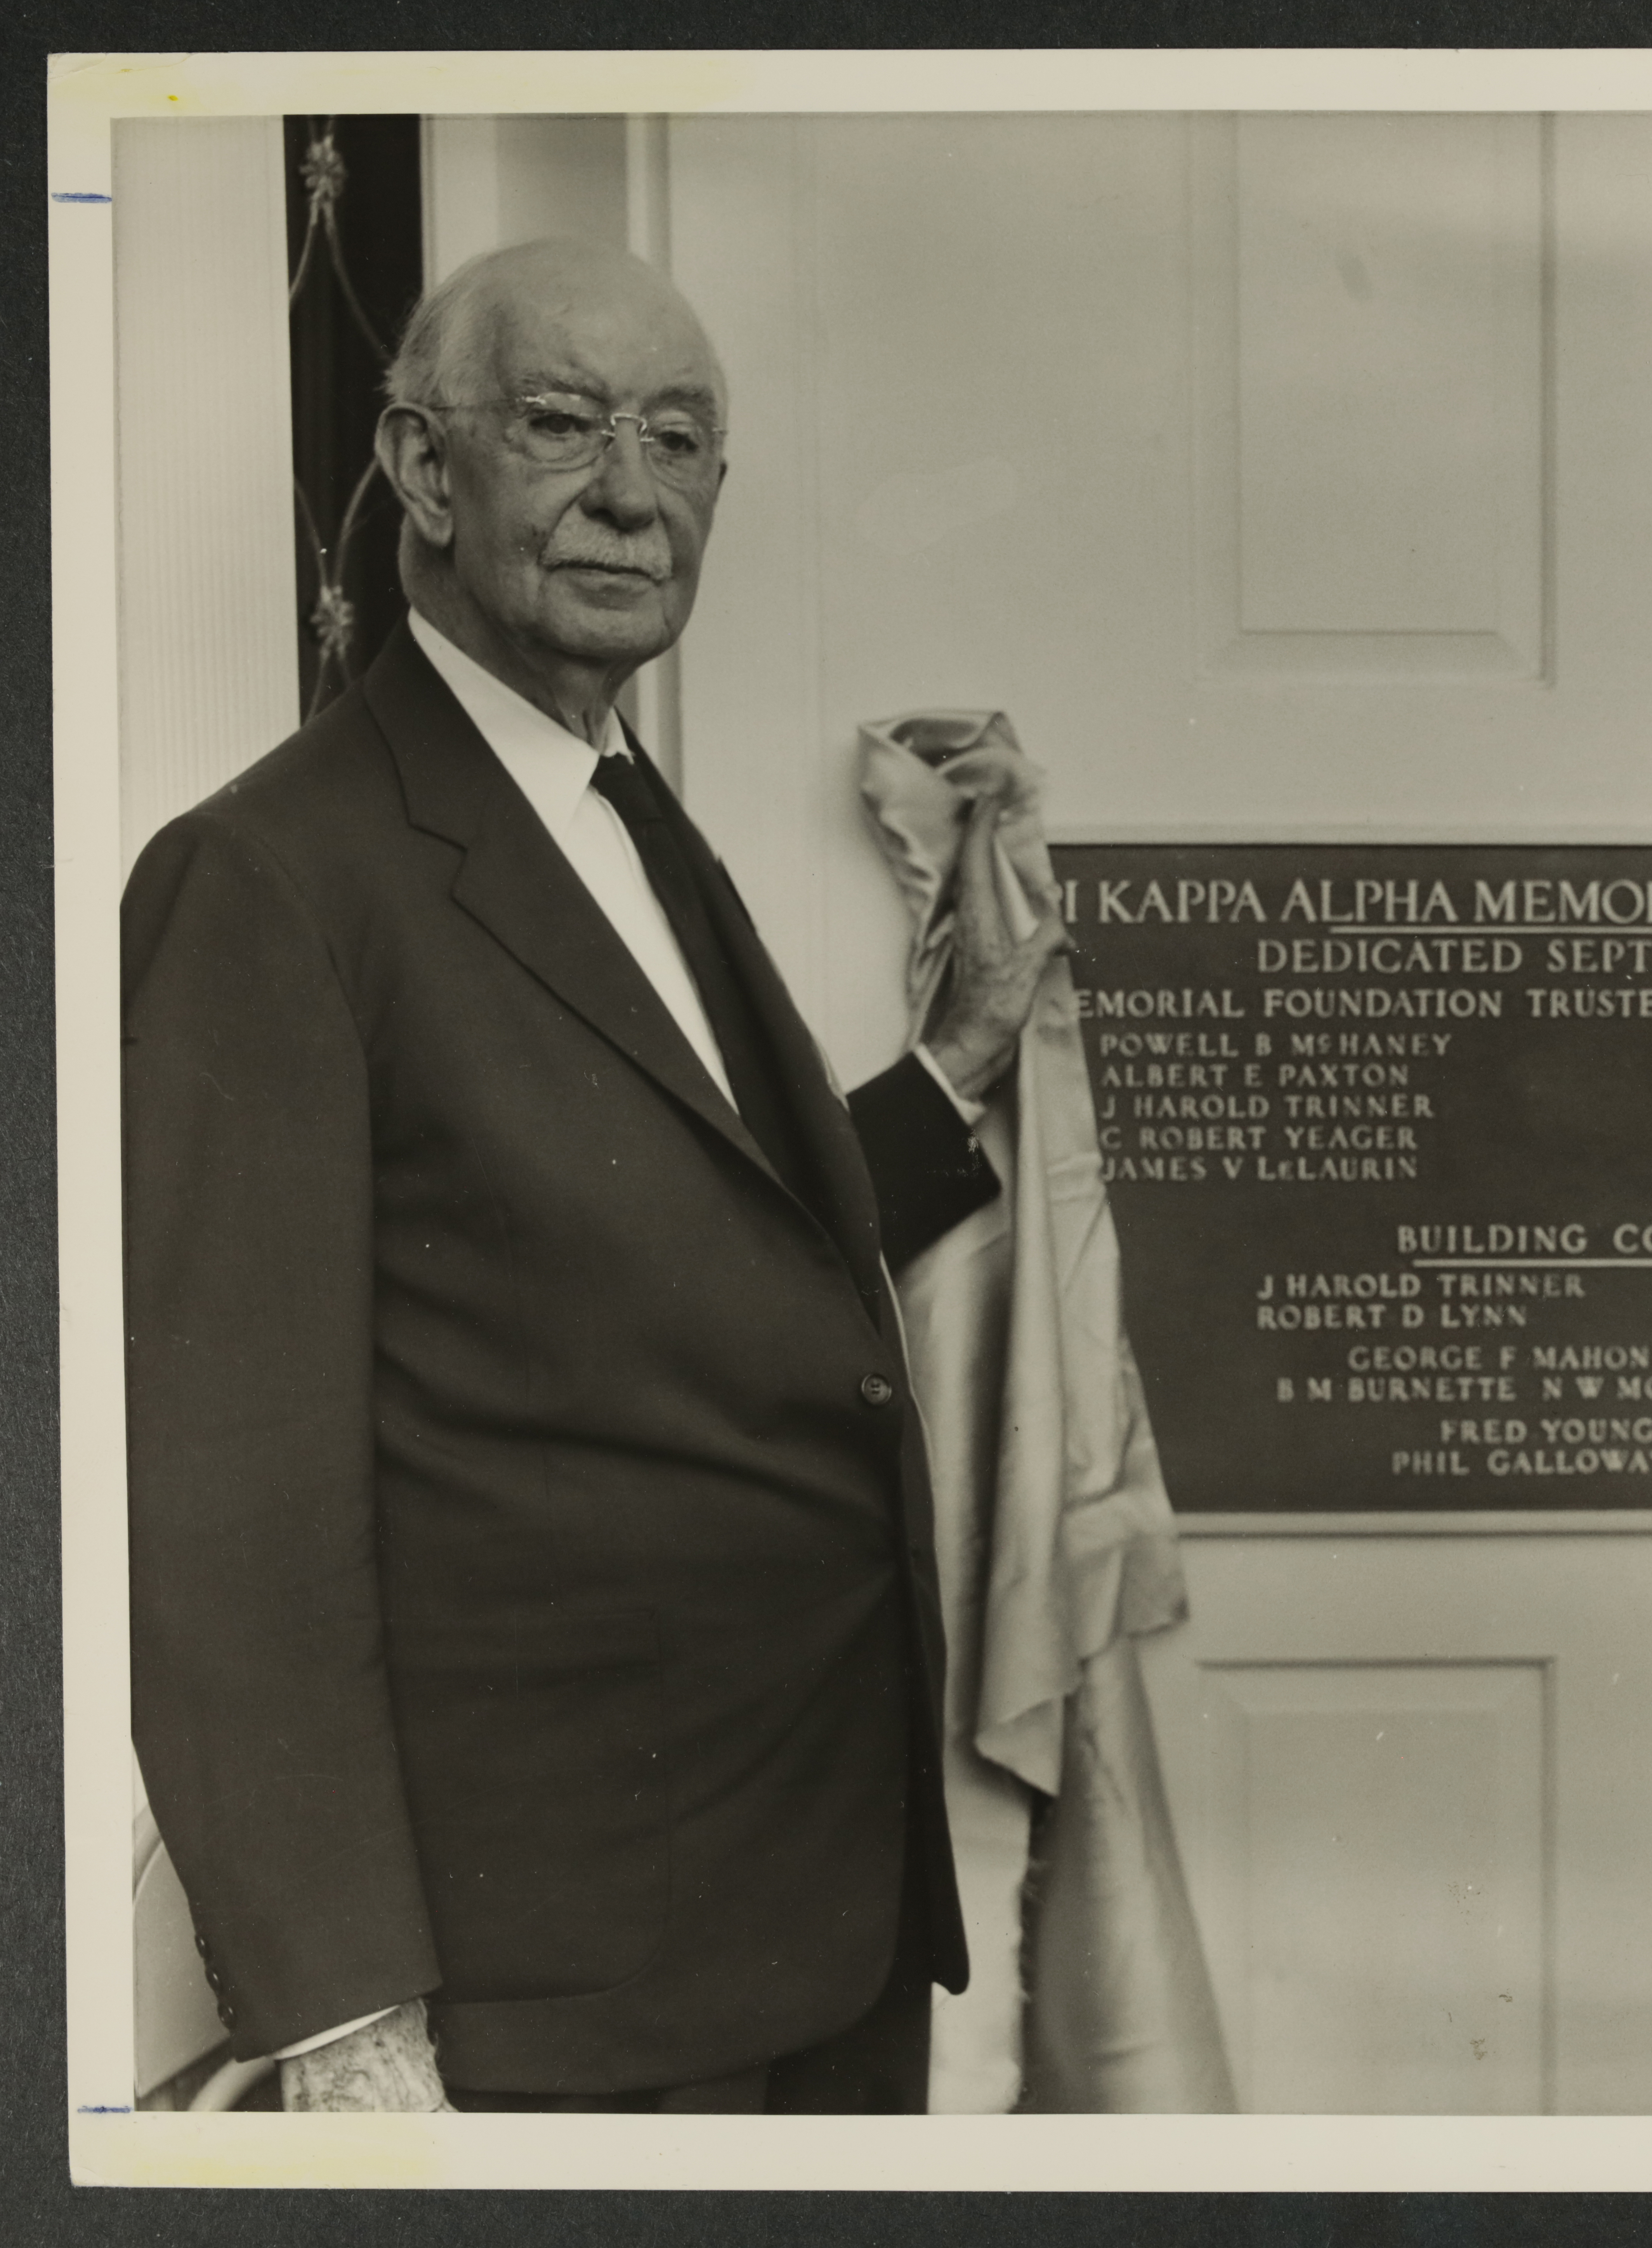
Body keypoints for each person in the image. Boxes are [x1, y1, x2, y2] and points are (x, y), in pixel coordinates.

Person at [121, 236, 1066, 2113]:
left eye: (681, 437)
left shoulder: (616, 804)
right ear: (418, 467)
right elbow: (226, 1518)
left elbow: (676, 1256)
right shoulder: (272, 881)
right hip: (542, 1997)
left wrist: (950, 1072)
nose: (633, 492)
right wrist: (339, 2017)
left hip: (815, 1925)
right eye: (561, 424)